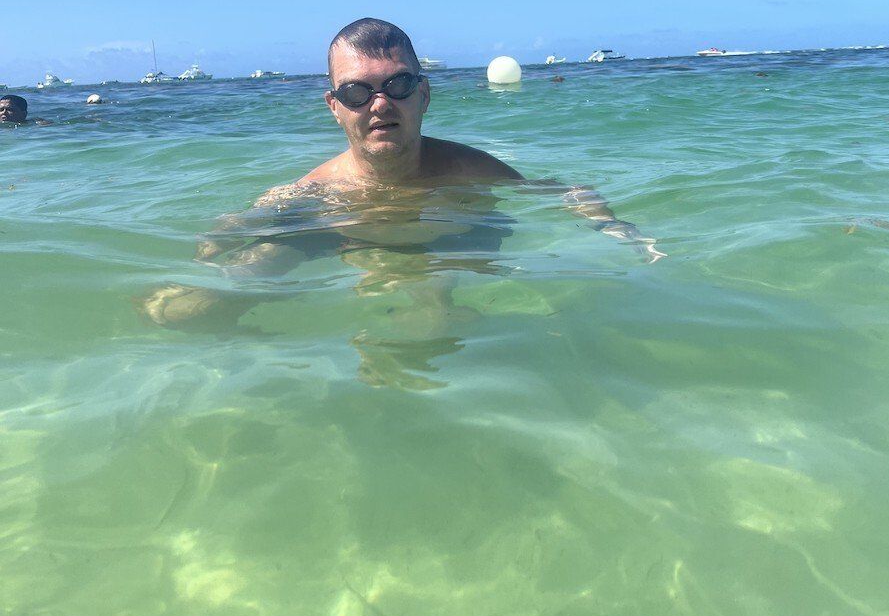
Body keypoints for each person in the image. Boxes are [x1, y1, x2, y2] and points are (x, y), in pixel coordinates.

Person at [141, 19, 664, 380]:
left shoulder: (466, 169)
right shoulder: (314, 191)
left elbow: (566, 190)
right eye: (357, 92)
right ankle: (274, 354)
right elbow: (237, 224)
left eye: (398, 85)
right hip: (340, 237)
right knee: (179, 310)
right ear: (334, 106)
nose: (380, 104)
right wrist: (213, 246)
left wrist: (620, 231)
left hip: (453, 239)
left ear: (424, 94)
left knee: (438, 331)